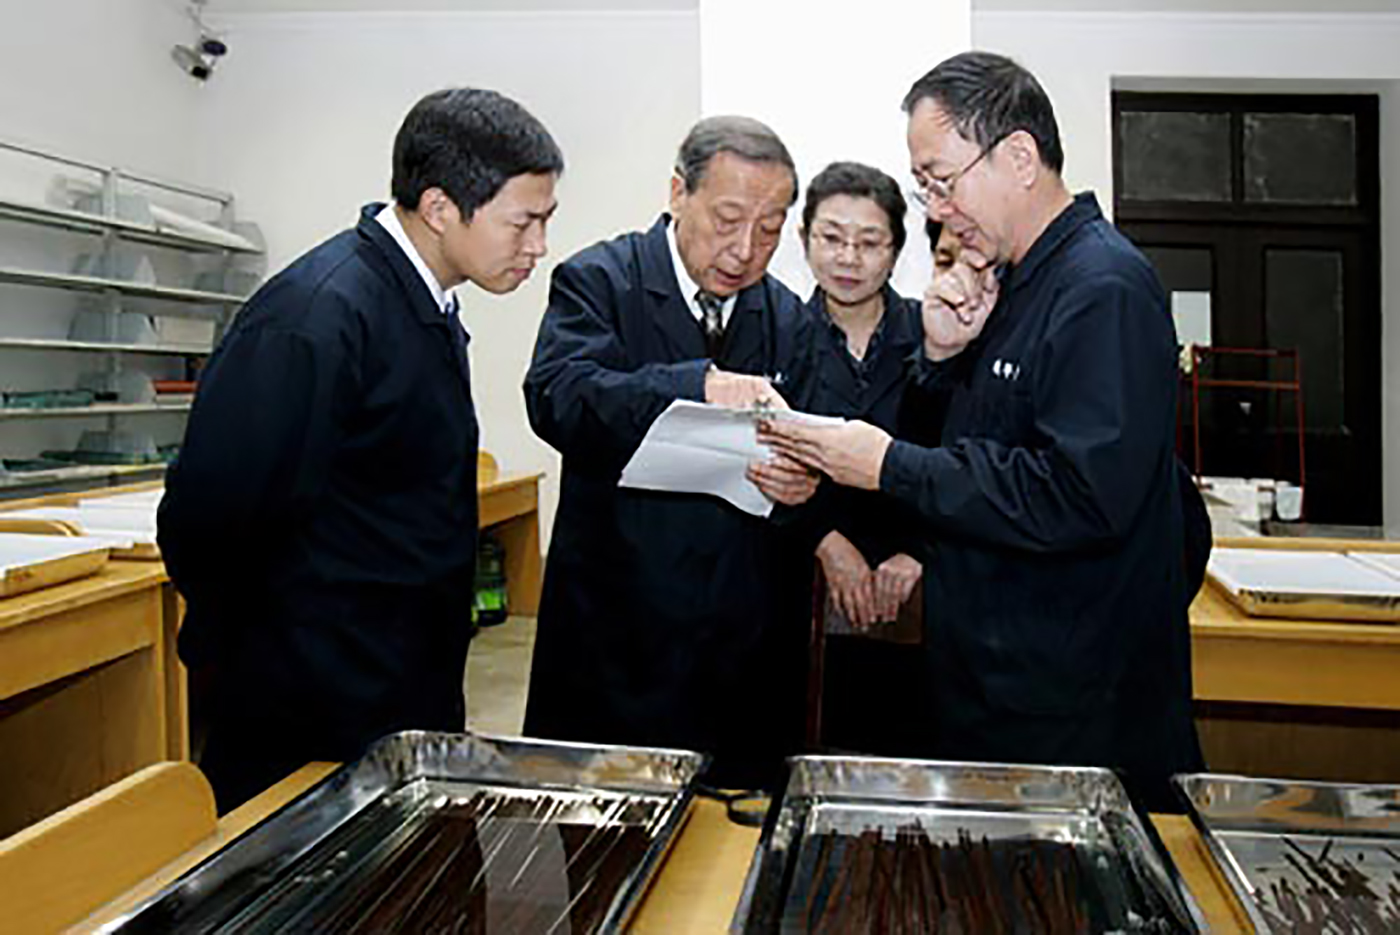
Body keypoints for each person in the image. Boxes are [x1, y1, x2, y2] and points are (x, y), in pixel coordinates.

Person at [761, 52, 1203, 810]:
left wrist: (888, 464)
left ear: (1019, 157)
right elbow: (968, 452)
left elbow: (1083, 494)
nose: (937, 208)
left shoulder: (1101, 287)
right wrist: (939, 358)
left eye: (942, 180)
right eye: (924, 188)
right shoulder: (1009, 281)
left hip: (1069, 714)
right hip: (991, 689)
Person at [158, 88, 563, 812]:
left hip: (395, 692)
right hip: (308, 716)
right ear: (440, 208)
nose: (538, 246)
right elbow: (210, 524)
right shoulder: (317, 314)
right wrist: (279, 659)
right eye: (522, 222)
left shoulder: (422, 301)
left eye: (545, 221)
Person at [522, 116, 820, 790]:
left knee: (731, 832)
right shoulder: (600, 279)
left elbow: (815, 443)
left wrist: (801, 482)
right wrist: (695, 385)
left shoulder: (786, 316)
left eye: (770, 229)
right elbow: (558, 395)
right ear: (678, 192)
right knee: (608, 829)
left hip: (739, 637)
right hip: (618, 627)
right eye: (728, 220)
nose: (745, 250)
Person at [797, 162, 924, 755]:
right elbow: (760, 457)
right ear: (804, 238)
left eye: (870, 242)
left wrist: (919, 551)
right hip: (802, 585)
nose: (848, 258)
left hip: (922, 585)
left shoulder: (934, 334)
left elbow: (963, 452)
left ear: (895, 251)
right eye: (831, 238)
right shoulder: (777, 333)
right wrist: (826, 542)